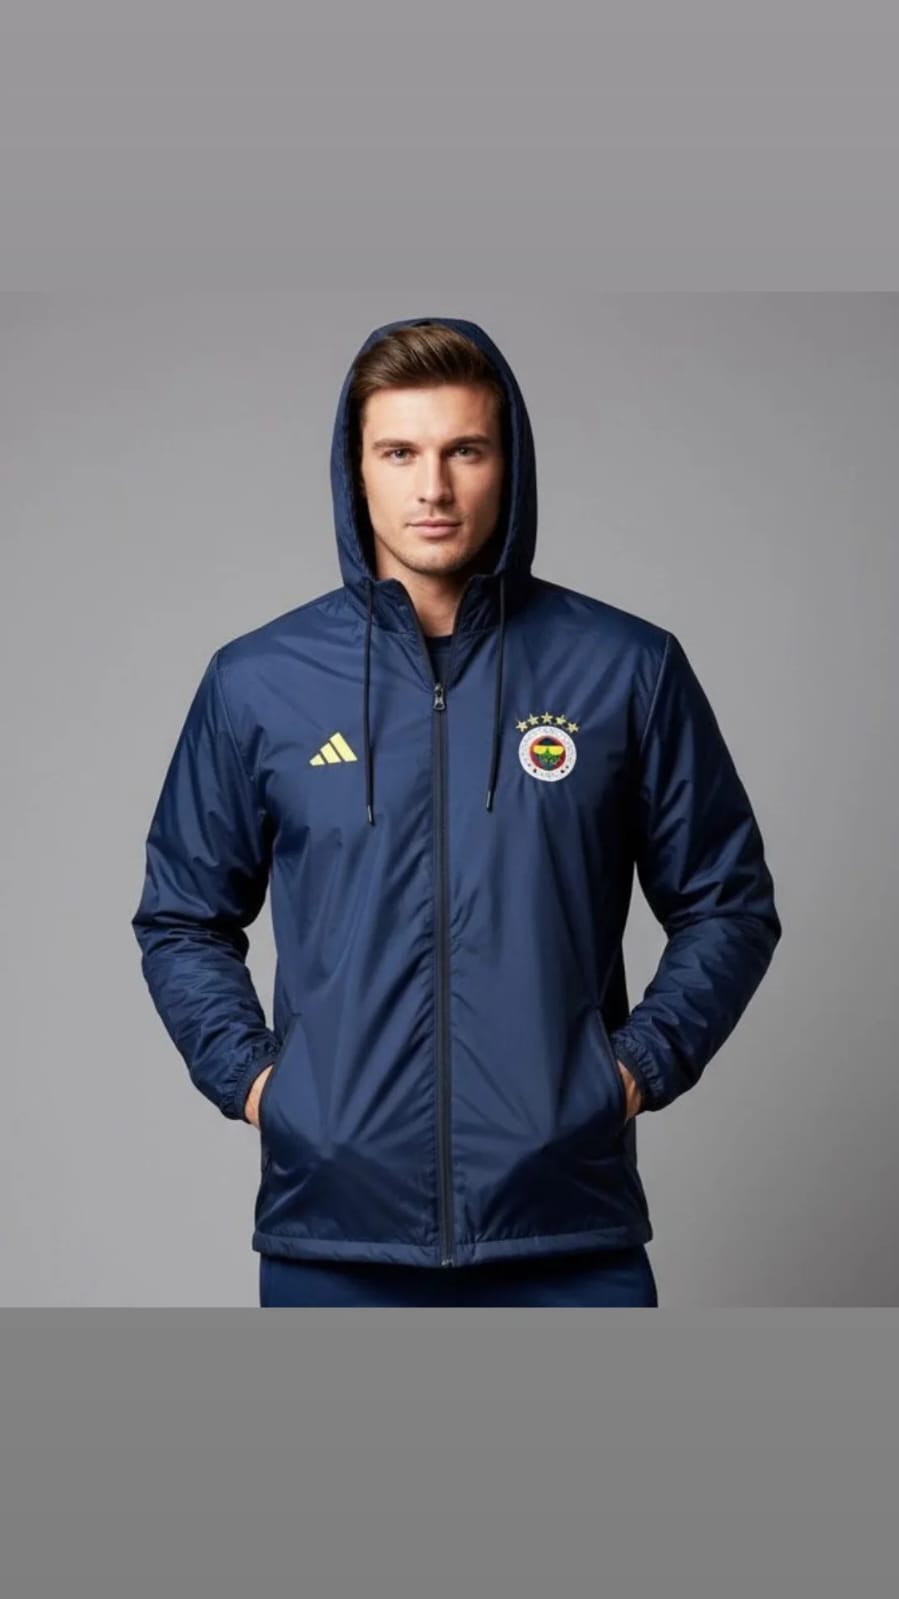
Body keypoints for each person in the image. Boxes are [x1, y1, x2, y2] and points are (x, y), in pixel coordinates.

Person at [131, 315, 782, 1307]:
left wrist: (631, 1070)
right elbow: (182, 915)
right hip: (331, 1236)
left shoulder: (625, 669)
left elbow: (726, 902)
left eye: (463, 451)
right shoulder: (257, 682)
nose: (431, 488)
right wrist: (264, 1086)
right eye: (399, 452)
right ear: (355, 472)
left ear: (506, 465)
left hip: (568, 1233)